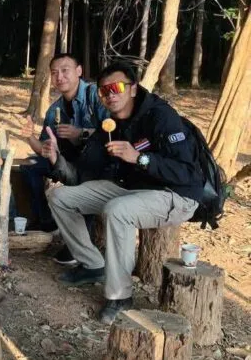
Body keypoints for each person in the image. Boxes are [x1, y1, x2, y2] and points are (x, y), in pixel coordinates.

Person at [42, 62, 203, 324]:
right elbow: (82, 172)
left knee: (118, 211)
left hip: (175, 194)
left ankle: (120, 296)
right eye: (104, 91)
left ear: (133, 89)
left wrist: (140, 158)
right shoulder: (110, 123)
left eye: (116, 87)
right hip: (132, 189)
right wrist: (56, 159)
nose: (110, 95)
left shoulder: (161, 116)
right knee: (60, 197)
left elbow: (186, 172)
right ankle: (93, 265)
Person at [20, 53, 109, 264]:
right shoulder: (55, 110)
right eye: (54, 73)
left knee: (82, 183)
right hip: (67, 161)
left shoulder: (96, 96)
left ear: (79, 71)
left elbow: (112, 131)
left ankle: (80, 246)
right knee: (30, 166)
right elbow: (44, 149)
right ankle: (47, 222)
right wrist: (29, 137)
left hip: (99, 163)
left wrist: (81, 133)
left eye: (65, 70)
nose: (59, 77)